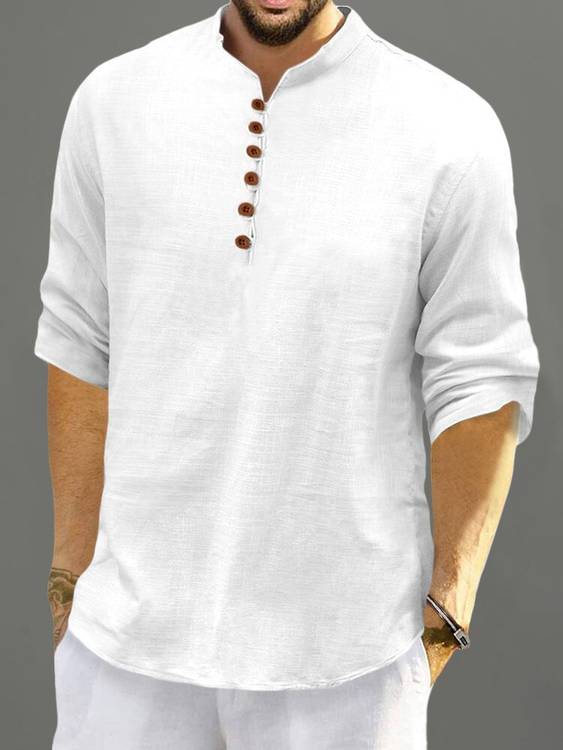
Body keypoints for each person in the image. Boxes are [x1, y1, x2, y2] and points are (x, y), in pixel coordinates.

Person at [34, 2, 540, 748]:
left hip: (352, 666)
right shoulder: (114, 103)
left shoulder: (448, 126)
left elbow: (482, 374)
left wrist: (446, 615)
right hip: (121, 657)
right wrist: (69, 587)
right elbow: (80, 339)